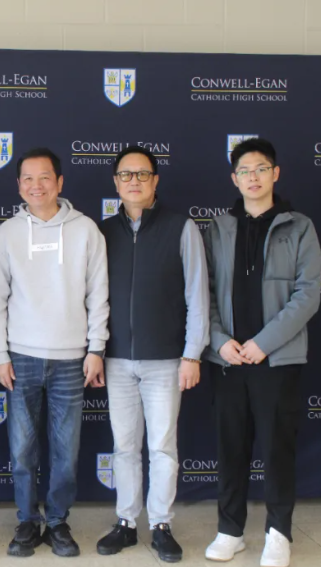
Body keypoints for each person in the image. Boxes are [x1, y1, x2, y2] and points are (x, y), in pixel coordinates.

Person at [0, 147, 109, 558]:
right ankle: (26, 520)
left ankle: (57, 521)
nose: (36, 186)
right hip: (20, 357)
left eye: (44, 178)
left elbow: (98, 294)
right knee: (21, 450)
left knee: (65, 452)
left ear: (59, 182)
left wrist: (96, 348)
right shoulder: (8, 232)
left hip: (72, 359)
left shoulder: (86, 230)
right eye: (28, 178)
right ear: (19, 185)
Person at [203, 138, 321, 567]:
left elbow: (308, 294)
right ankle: (230, 530)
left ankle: (278, 533)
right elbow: (203, 293)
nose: (253, 177)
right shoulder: (218, 228)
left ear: (275, 173)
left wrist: (263, 343)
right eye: (245, 171)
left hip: (277, 359)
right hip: (229, 359)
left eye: (261, 168)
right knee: (231, 447)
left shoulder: (299, 227)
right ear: (234, 179)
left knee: (277, 449)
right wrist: (220, 340)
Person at [96, 145, 209, 563]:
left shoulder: (182, 228)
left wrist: (192, 354)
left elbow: (198, 295)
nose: (134, 181)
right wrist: (96, 351)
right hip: (117, 360)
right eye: (126, 175)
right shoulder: (102, 232)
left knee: (162, 446)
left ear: (155, 180)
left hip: (166, 361)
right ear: (116, 182)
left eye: (142, 174)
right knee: (124, 447)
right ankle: (126, 523)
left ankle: (161, 524)